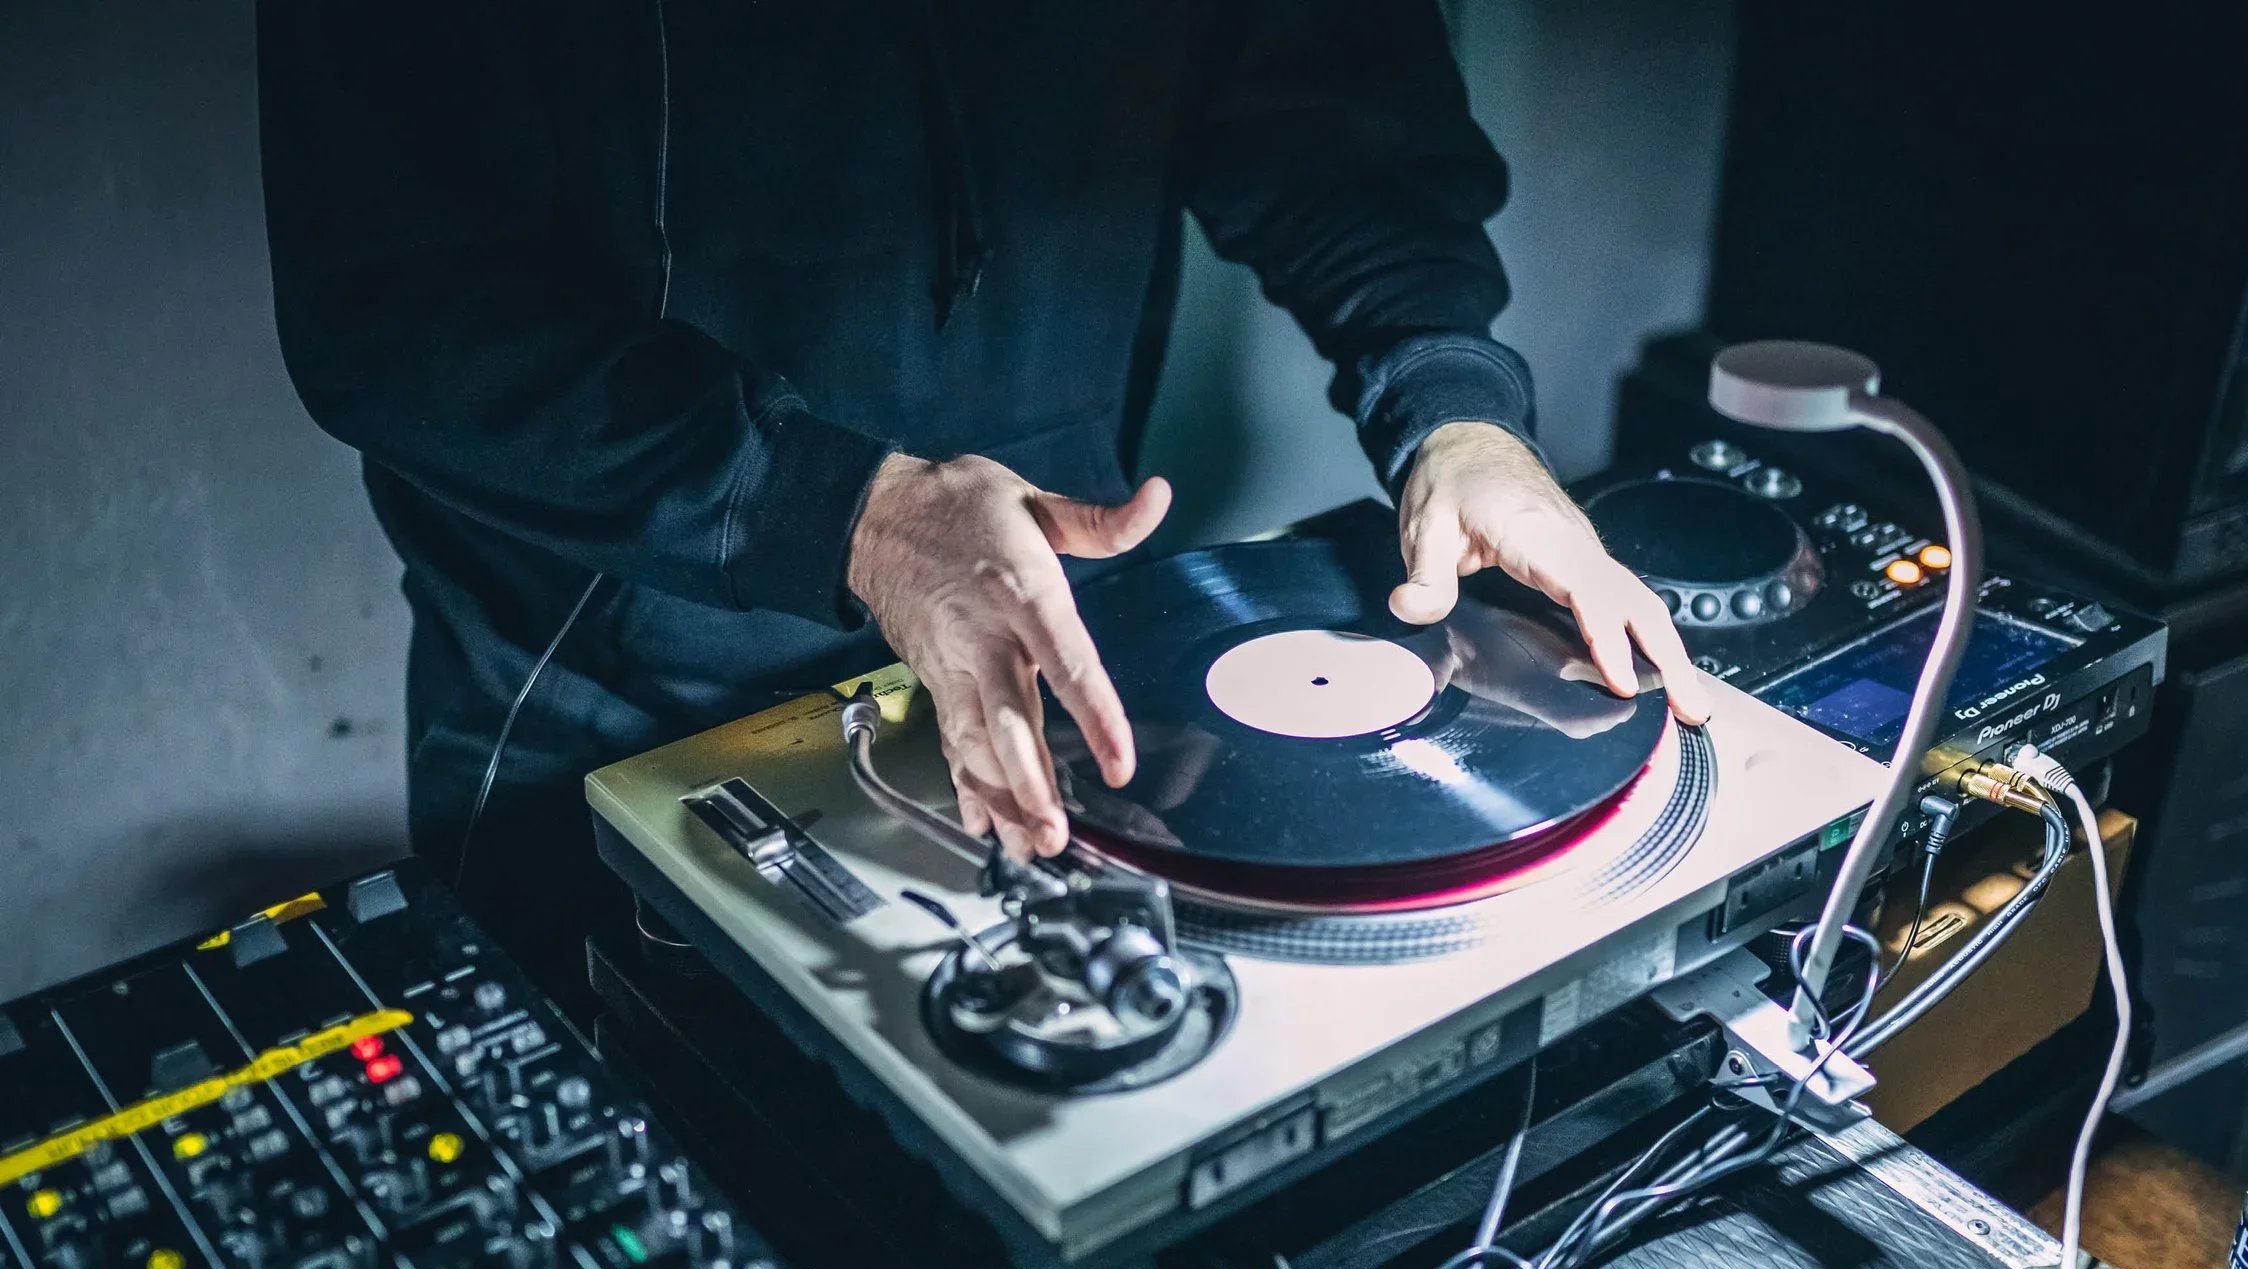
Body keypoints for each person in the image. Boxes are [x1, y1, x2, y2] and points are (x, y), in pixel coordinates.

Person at [257, 2, 1706, 986]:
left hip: (1063, 677)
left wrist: (1454, 404)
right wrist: (848, 514)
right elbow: (399, 309)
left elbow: (1324, 115)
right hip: (603, 703)